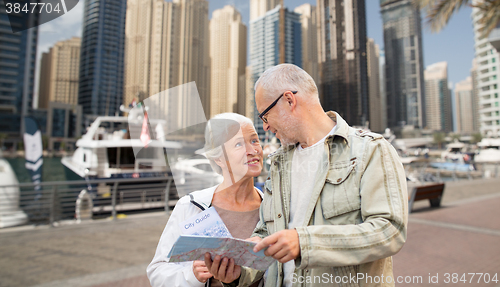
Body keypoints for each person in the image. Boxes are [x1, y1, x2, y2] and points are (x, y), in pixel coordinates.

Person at [205, 64, 408, 287]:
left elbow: (389, 231)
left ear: (289, 100)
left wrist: (305, 243)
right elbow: (265, 234)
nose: (265, 127)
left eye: (265, 115)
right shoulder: (279, 163)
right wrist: (238, 273)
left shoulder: (371, 150)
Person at [147, 113, 265, 287]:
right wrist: (193, 275)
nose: (253, 150)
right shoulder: (190, 206)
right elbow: (157, 272)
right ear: (219, 159)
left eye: (254, 140)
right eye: (239, 144)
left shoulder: (273, 208)